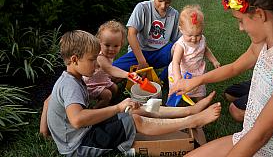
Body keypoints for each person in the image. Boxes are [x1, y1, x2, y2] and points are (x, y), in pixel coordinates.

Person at [169, 0, 273, 156]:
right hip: (250, 135)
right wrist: (195, 81)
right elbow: (234, 68)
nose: (240, 28)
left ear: (260, 15)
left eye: (241, 20)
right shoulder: (262, 44)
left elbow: (261, 135)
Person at [46, 30, 221, 156]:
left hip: (85, 132)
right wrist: (117, 108)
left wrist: (43, 131)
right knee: (134, 119)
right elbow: (77, 120)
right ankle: (193, 120)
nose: (96, 65)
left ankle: (190, 110)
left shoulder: (72, 79)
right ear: (75, 60)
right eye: (92, 60)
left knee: (132, 108)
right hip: (79, 145)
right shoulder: (70, 85)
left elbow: (52, 104)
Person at [112, 0, 181, 84]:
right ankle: (139, 73)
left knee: (181, 48)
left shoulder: (174, 14)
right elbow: (131, 34)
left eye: (167, 2)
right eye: (160, 0)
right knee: (111, 75)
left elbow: (179, 41)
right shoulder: (142, 8)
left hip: (160, 53)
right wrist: (142, 61)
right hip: (139, 53)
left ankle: (162, 80)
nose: (163, 6)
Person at [83, 20, 140, 109]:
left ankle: (108, 103)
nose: (111, 49)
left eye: (116, 46)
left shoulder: (109, 54)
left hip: (103, 81)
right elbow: (109, 69)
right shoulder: (100, 56)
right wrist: (127, 75)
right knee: (107, 94)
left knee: (114, 88)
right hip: (91, 85)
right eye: (107, 45)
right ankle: (95, 111)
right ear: (99, 42)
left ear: (121, 44)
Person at [168, 5, 220, 101]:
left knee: (199, 92)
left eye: (198, 34)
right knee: (177, 93)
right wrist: (178, 78)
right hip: (182, 73)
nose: (194, 38)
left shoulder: (202, 39)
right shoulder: (181, 45)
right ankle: (174, 106)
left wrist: (214, 61)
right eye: (190, 35)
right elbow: (176, 62)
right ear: (181, 30)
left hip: (197, 72)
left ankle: (200, 104)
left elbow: (206, 50)